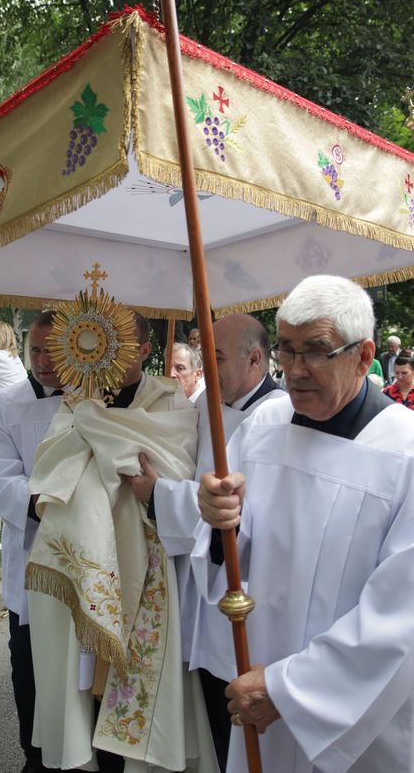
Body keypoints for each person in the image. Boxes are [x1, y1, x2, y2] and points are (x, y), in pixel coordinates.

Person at [194, 275, 414, 773]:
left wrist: (289, 691)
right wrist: (216, 522)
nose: (293, 370)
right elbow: (235, 555)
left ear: (364, 356)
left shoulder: (404, 452)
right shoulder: (263, 431)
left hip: (355, 718)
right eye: (285, 350)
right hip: (259, 683)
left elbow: (401, 618)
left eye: (315, 351)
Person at [26, 312, 217, 772]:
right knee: (82, 686)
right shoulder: (76, 400)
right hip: (85, 558)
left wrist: (100, 443)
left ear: (146, 350)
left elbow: (172, 466)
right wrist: (108, 446)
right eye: (100, 343)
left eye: (121, 344)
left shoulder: (170, 399)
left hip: (147, 559)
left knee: (138, 680)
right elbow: (49, 470)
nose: (109, 354)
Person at [127, 313, 284, 772]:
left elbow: (238, 509)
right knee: (214, 718)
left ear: (255, 359)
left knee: (241, 724)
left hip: (245, 592)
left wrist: (157, 495)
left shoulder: (276, 417)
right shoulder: (206, 406)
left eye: (215, 359)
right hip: (198, 583)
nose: (205, 370)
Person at [0, 312, 65, 773]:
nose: (42, 360)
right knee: (28, 662)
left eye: (52, 351)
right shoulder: (8, 403)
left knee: (74, 662)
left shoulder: (93, 399)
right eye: (34, 350)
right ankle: (34, 755)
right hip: (30, 550)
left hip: (81, 558)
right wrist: (41, 502)